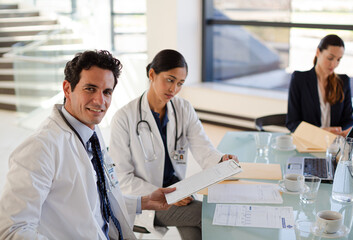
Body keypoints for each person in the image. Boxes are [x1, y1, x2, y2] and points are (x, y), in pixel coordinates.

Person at [0, 50, 175, 240]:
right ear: (67, 89)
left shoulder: (90, 130)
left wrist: (144, 201)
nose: (100, 101)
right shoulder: (40, 148)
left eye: (107, 92)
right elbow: (12, 230)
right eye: (90, 89)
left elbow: (95, 199)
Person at [109, 49, 238, 239]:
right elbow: (123, 180)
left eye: (180, 83)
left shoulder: (183, 109)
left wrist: (221, 160)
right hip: (147, 199)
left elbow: (204, 149)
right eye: (170, 80)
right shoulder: (124, 118)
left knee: (197, 231)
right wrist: (167, 194)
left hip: (180, 192)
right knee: (207, 215)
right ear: (152, 74)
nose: (174, 89)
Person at [286, 34, 353, 136]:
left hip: (335, 143)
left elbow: (349, 120)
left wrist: (338, 131)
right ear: (318, 52)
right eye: (330, 58)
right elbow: (292, 123)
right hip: (310, 142)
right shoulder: (299, 79)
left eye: (338, 59)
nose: (334, 64)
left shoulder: (343, 82)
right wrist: (320, 132)